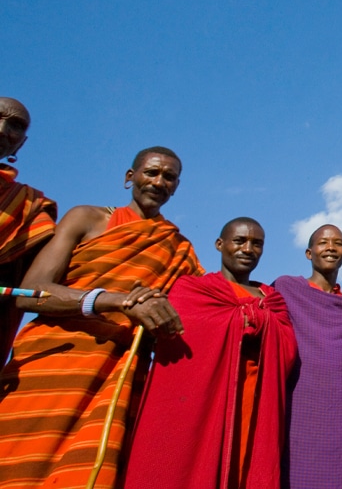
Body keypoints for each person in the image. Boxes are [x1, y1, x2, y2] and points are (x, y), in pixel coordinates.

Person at [0, 146, 202, 488]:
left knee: (87, 470)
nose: (158, 181)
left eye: (168, 177)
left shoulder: (181, 250)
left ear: (176, 187)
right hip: (51, 360)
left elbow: (188, 317)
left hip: (117, 372)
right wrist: (118, 301)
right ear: (130, 177)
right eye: (151, 172)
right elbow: (32, 291)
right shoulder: (87, 218)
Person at [125, 217, 296, 488]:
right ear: (220, 244)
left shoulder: (272, 298)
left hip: (254, 400)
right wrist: (247, 319)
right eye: (239, 241)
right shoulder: (192, 290)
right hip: (202, 400)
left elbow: (287, 349)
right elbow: (178, 337)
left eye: (257, 244)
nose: (248, 249)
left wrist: (257, 319)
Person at [274, 224, 342, 488]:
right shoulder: (286, 288)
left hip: (340, 409)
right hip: (298, 402)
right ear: (308, 253)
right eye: (323, 243)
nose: (330, 248)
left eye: (337, 243)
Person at [0, 97, 57, 363]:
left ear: (21, 143)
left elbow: (39, 280)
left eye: (15, 125)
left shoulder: (30, 206)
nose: (2, 130)